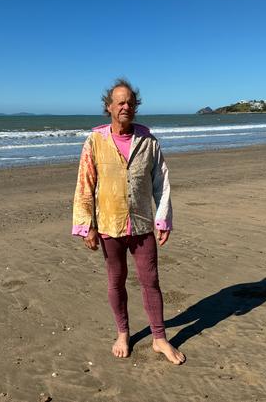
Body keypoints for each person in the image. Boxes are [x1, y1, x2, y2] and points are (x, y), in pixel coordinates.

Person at [72, 78, 186, 365]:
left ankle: (159, 338)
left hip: (141, 224)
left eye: (130, 103)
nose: (125, 106)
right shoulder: (95, 142)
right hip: (109, 225)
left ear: (136, 107)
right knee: (116, 281)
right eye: (120, 102)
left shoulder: (148, 142)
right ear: (109, 107)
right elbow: (85, 185)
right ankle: (123, 333)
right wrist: (87, 226)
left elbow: (161, 183)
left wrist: (163, 220)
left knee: (151, 281)